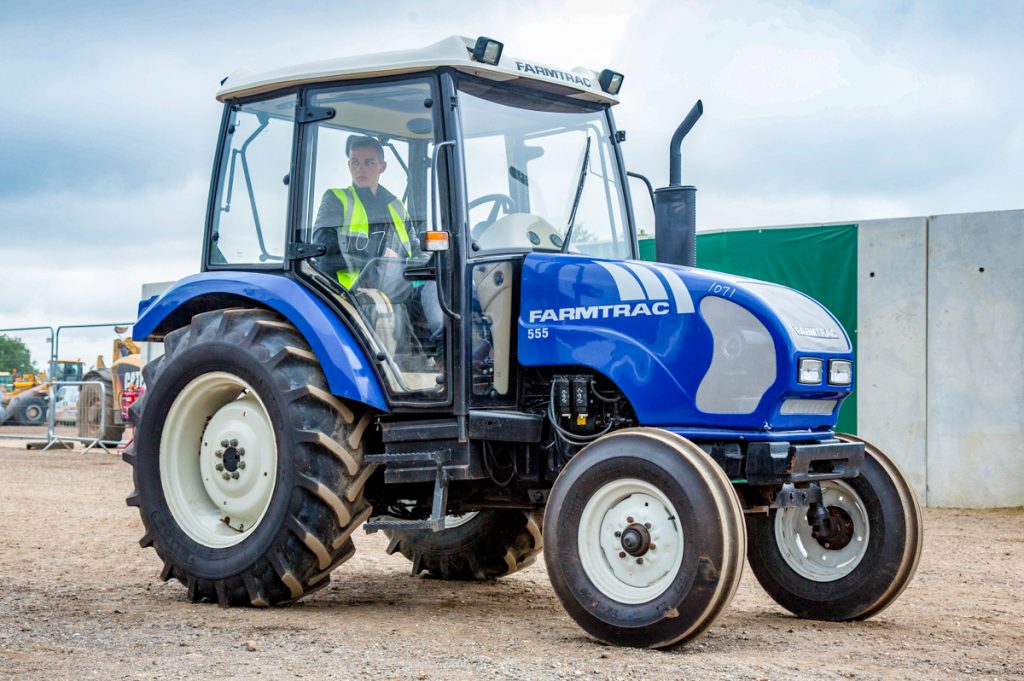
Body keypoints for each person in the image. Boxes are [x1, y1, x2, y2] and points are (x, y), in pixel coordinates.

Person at [312, 136, 414, 289]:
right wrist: (379, 252)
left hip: (394, 294)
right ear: (349, 165)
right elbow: (324, 248)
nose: (360, 169)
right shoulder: (336, 199)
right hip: (345, 297)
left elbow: (414, 247)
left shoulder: (397, 207)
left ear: (382, 167)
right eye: (355, 162)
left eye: (369, 162)